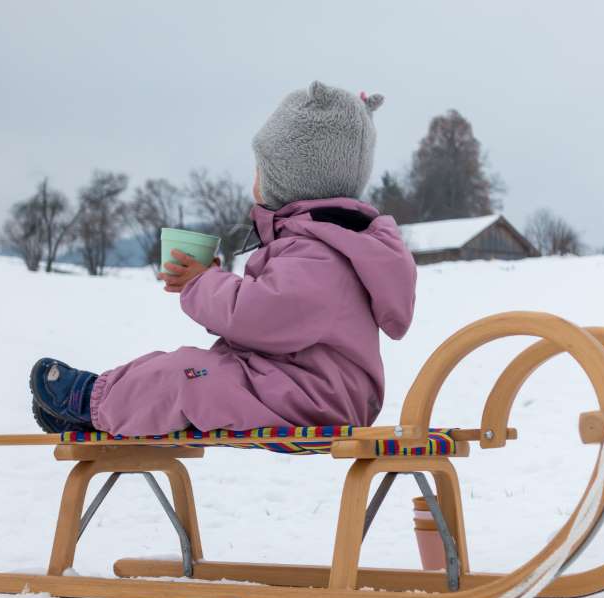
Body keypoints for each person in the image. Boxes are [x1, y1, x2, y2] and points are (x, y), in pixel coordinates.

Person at [30, 81, 417, 436]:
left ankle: (89, 402)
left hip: (308, 395)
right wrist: (212, 280)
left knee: (189, 375)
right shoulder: (328, 240)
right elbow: (276, 309)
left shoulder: (319, 252)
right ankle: (101, 401)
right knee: (191, 367)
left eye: (261, 169)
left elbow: (261, 316)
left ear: (293, 178)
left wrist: (201, 283)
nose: (255, 179)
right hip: (298, 384)